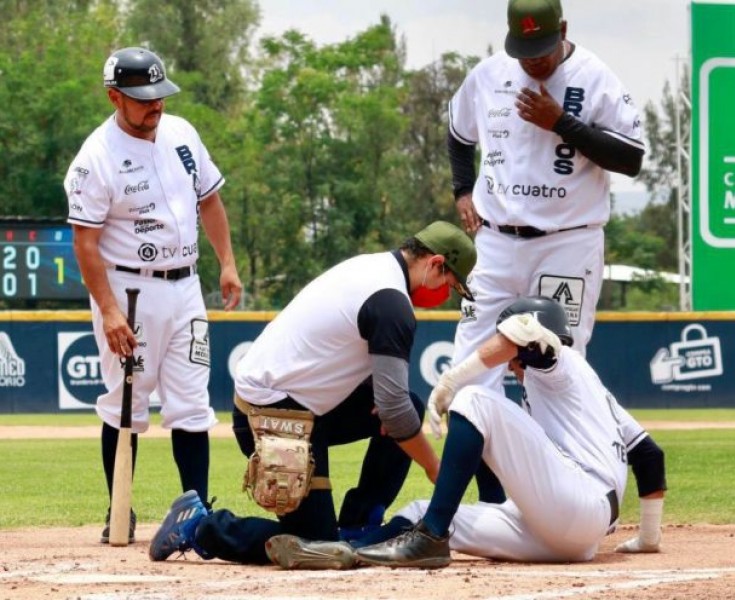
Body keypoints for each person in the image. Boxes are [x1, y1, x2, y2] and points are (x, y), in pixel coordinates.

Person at [148, 221, 477, 564]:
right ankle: (202, 527)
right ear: (436, 264)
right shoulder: (391, 303)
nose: (444, 295)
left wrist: (387, 405)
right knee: (318, 546)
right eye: (449, 284)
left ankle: (357, 523)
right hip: (270, 413)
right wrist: (434, 467)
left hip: (301, 402)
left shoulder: (372, 267)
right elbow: (392, 410)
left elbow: (362, 371)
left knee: (408, 406)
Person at [264, 296, 666, 569]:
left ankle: (431, 537)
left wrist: (453, 379)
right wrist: (648, 538)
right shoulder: (596, 395)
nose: (508, 362)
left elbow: (524, 332)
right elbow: (650, 456)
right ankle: (347, 551)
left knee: (474, 400)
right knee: (418, 511)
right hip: (572, 536)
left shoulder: (561, 367)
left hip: (579, 506)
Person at [64, 46, 242, 544]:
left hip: (186, 286)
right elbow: (85, 243)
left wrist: (226, 262)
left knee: (191, 403)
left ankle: (198, 512)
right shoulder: (95, 158)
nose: (155, 105)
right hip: (129, 290)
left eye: (160, 95)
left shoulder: (182, 133)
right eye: (143, 98)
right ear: (114, 97)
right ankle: (119, 509)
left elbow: (210, 199)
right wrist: (110, 311)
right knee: (126, 403)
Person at [448, 0, 646, 395]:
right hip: (496, 241)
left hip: (567, 241)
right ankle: (473, 458)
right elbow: (458, 134)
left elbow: (631, 159)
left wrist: (561, 122)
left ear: (564, 31)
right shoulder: (488, 74)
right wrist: (463, 189)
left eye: (541, 51)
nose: (532, 62)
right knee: (469, 367)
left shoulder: (594, 77)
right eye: (524, 51)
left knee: (557, 363)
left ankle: (560, 458)